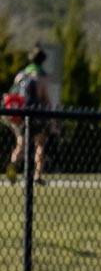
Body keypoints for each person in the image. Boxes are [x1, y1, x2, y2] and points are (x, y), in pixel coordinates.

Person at [5, 45, 52, 185]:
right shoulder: (41, 77)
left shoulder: (21, 74)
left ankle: (12, 168)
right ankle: (37, 175)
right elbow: (46, 99)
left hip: (19, 114)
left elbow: (13, 94)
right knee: (39, 144)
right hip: (36, 115)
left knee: (21, 144)